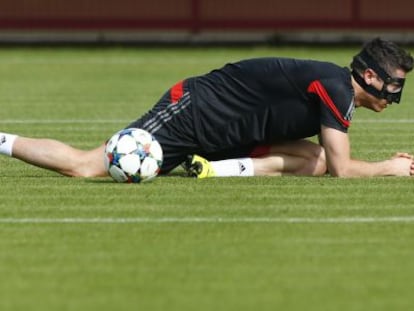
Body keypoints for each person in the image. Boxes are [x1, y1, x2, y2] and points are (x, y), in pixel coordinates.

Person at [0, 38, 414, 179]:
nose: (396, 93)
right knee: (85, 166)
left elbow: (331, 161)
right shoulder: (335, 86)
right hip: (195, 112)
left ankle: (213, 170)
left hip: (229, 136)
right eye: (394, 82)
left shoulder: (339, 91)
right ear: (371, 76)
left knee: (316, 159)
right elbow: (346, 171)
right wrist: (385, 168)